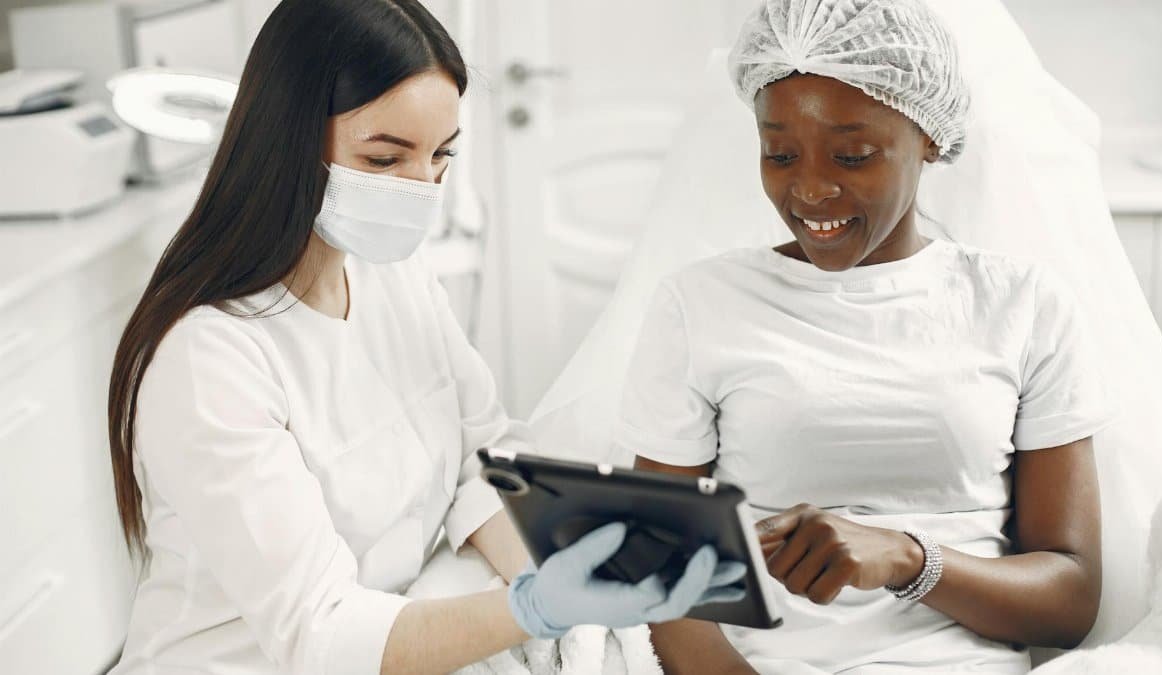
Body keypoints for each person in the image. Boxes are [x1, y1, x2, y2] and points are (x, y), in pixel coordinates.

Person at [104, 2, 744, 674]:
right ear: (288, 140)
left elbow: (484, 456)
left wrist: (574, 579)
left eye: (441, 156)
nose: (421, 190)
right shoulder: (212, 358)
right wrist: (531, 608)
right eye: (385, 158)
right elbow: (322, 634)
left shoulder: (393, 274)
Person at [607, 0, 1114, 672]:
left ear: (930, 137)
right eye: (780, 153)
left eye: (852, 154)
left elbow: (1070, 601)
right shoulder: (700, 304)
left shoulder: (1022, 306)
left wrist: (909, 557)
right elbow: (661, 572)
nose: (810, 189)